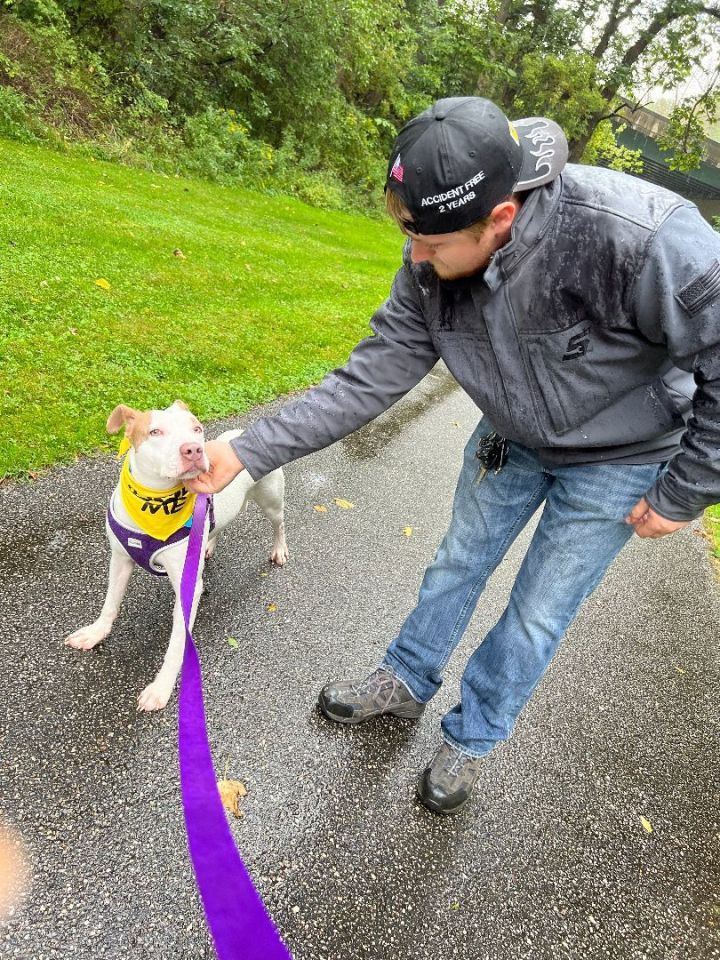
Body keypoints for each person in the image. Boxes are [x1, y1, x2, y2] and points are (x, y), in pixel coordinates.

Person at [188, 97, 720, 816]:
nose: (414, 258)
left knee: (539, 612)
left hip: (622, 457)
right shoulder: (434, 245)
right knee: (455, 564)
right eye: (409, 234)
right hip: (511, 436)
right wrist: (247, 451)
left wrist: (685, 490)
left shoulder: (639, 237)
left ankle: (471, 738)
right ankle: (406, 680)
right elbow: (371, 374)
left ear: (500, 219)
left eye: (431, 244)